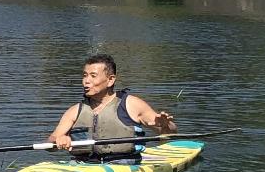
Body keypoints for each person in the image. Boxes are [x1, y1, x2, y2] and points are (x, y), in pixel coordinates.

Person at [45, 53, 176, 160]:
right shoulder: (74, 111)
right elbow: (50, 143)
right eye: (84, 75)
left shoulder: (132, 104)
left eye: (93, 76)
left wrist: (165, 126)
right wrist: (58, 140)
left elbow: (170, 136)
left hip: (123, 166)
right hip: (83, 165)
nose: (86, 81)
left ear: (111, 80)